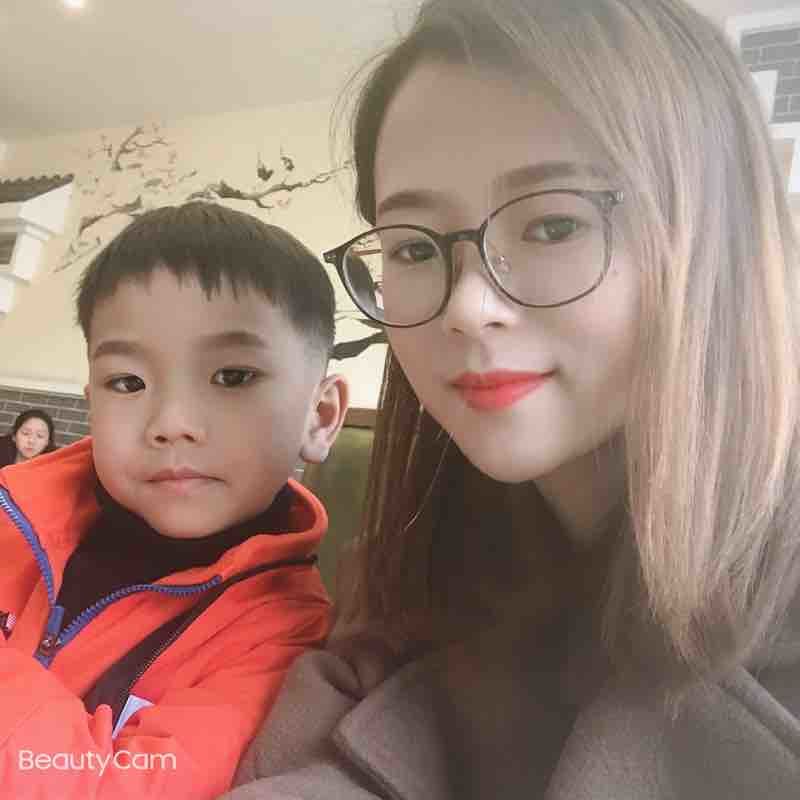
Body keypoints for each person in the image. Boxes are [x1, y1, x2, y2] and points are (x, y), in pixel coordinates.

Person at [226, 1, 800, 798]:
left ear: (717, 231)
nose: (466, 307)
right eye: (414, 247)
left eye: (554, 226)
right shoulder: (422, 557)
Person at [0, 202, 349, 799]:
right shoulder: (15, 517)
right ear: (92, 404)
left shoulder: (286, 640)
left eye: (233, 376)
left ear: (319, 416)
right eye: (128, 383)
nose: (171, 423)